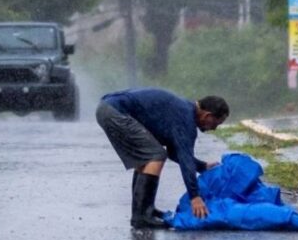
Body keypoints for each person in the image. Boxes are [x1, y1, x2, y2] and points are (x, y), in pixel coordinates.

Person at [95, 87, 229, 229]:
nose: (214, 128)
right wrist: (195, 197)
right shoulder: (186, 118)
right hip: (115, 111)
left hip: (107, 108)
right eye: (216, 123)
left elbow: (174, 152)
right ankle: (142, 216)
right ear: (207, 115)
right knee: (155, 155)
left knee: (147, 157)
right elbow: (186, 160)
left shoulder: (183, 111)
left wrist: (202, 166)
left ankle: (145, 210)